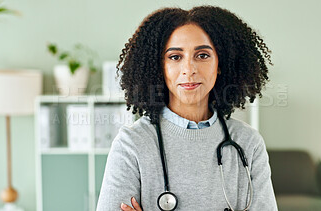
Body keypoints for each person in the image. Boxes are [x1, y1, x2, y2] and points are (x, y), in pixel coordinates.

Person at [96, 5, 278, 211]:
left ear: (220, 64)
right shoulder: (131, 145)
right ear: (159, 66)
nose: (189, 70)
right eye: (175, 57)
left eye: (202, 55)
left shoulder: (248, 144)